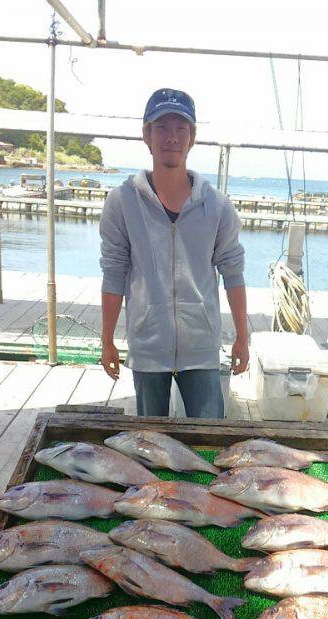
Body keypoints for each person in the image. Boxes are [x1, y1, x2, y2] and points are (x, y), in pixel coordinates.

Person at [100, 87, 249, 417]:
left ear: (192, 137)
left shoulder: (218, 206)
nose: (172, 137)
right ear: (146, 134)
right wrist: (107, 339)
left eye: (181, 128)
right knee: (149, 444)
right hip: (147, 346)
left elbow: (233, 273)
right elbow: (113, 271)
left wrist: (242, 337)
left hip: (202, 347)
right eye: (162, 127)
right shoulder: (122, 202)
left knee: (211, 441)